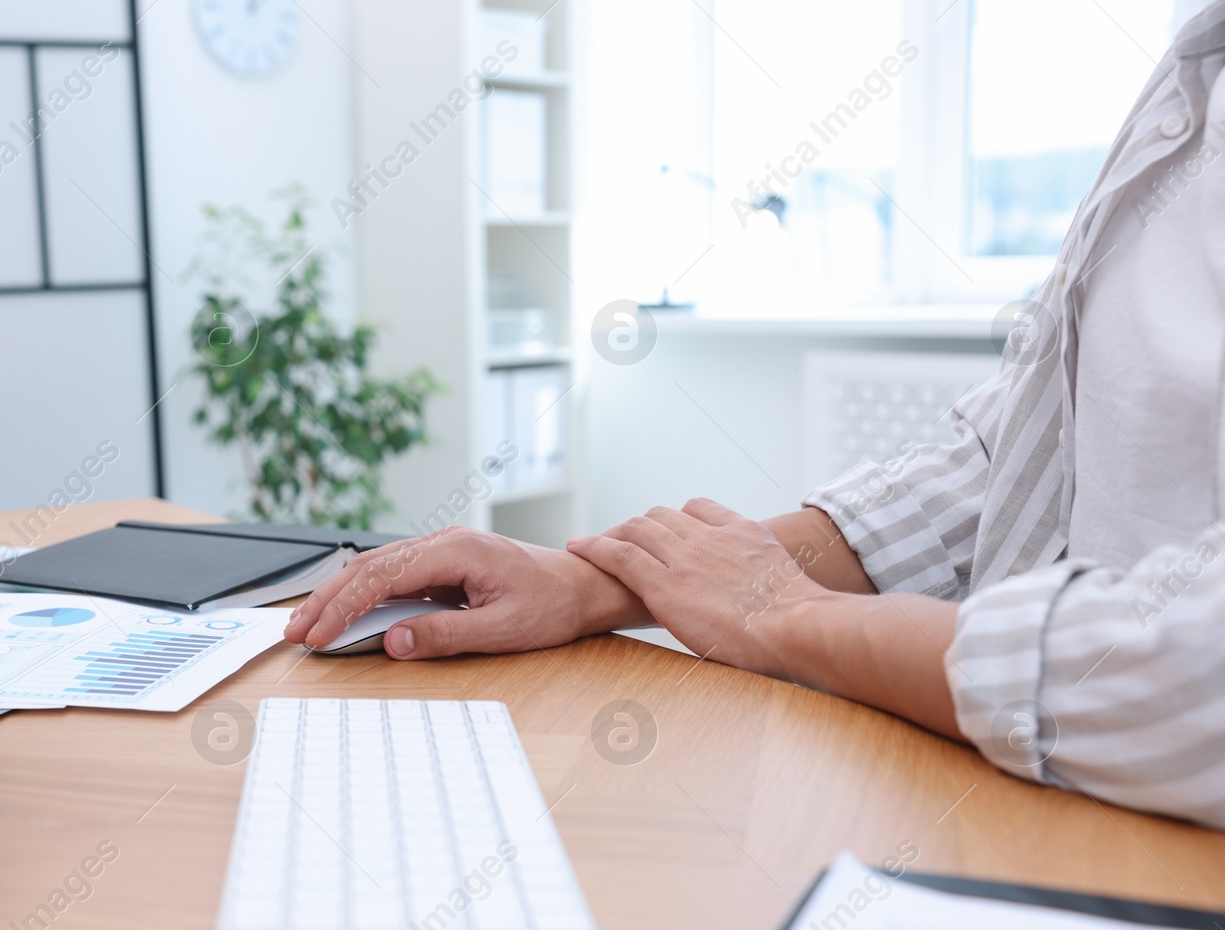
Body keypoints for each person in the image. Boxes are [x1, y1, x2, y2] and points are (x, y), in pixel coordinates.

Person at [288, 4, 1225, 829]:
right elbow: (1014, 460)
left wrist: (790, 618)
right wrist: (589, 583)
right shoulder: (1192, 73)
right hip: (1057, 810)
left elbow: (1193, 676)